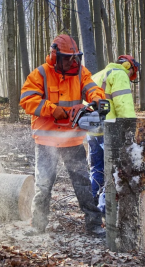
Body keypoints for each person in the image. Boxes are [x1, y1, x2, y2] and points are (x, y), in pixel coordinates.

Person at [20, 34, 106, 236]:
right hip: (46, 141)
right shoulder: (40, 74)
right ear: (55, 56)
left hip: (72, 140)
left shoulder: (80, 73)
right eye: (67, 57)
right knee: (43, 185)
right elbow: (27, 99)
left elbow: (93, 89)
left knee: (83, 184)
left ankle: (93, 225)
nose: (71, 61)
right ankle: (38, 225)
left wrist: (95, 102)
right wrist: (52, 109)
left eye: (73, 57)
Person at [87, 55, 140, 213]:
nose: (130, 77)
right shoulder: (119, 74)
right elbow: (123, 105)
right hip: (110, 130)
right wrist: (131, 129)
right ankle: (105, 209)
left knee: (97, 168)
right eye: (131, 73)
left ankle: (92, 205)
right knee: (113, 169)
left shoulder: (97, 75)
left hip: (91, 129)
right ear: (127, 67)